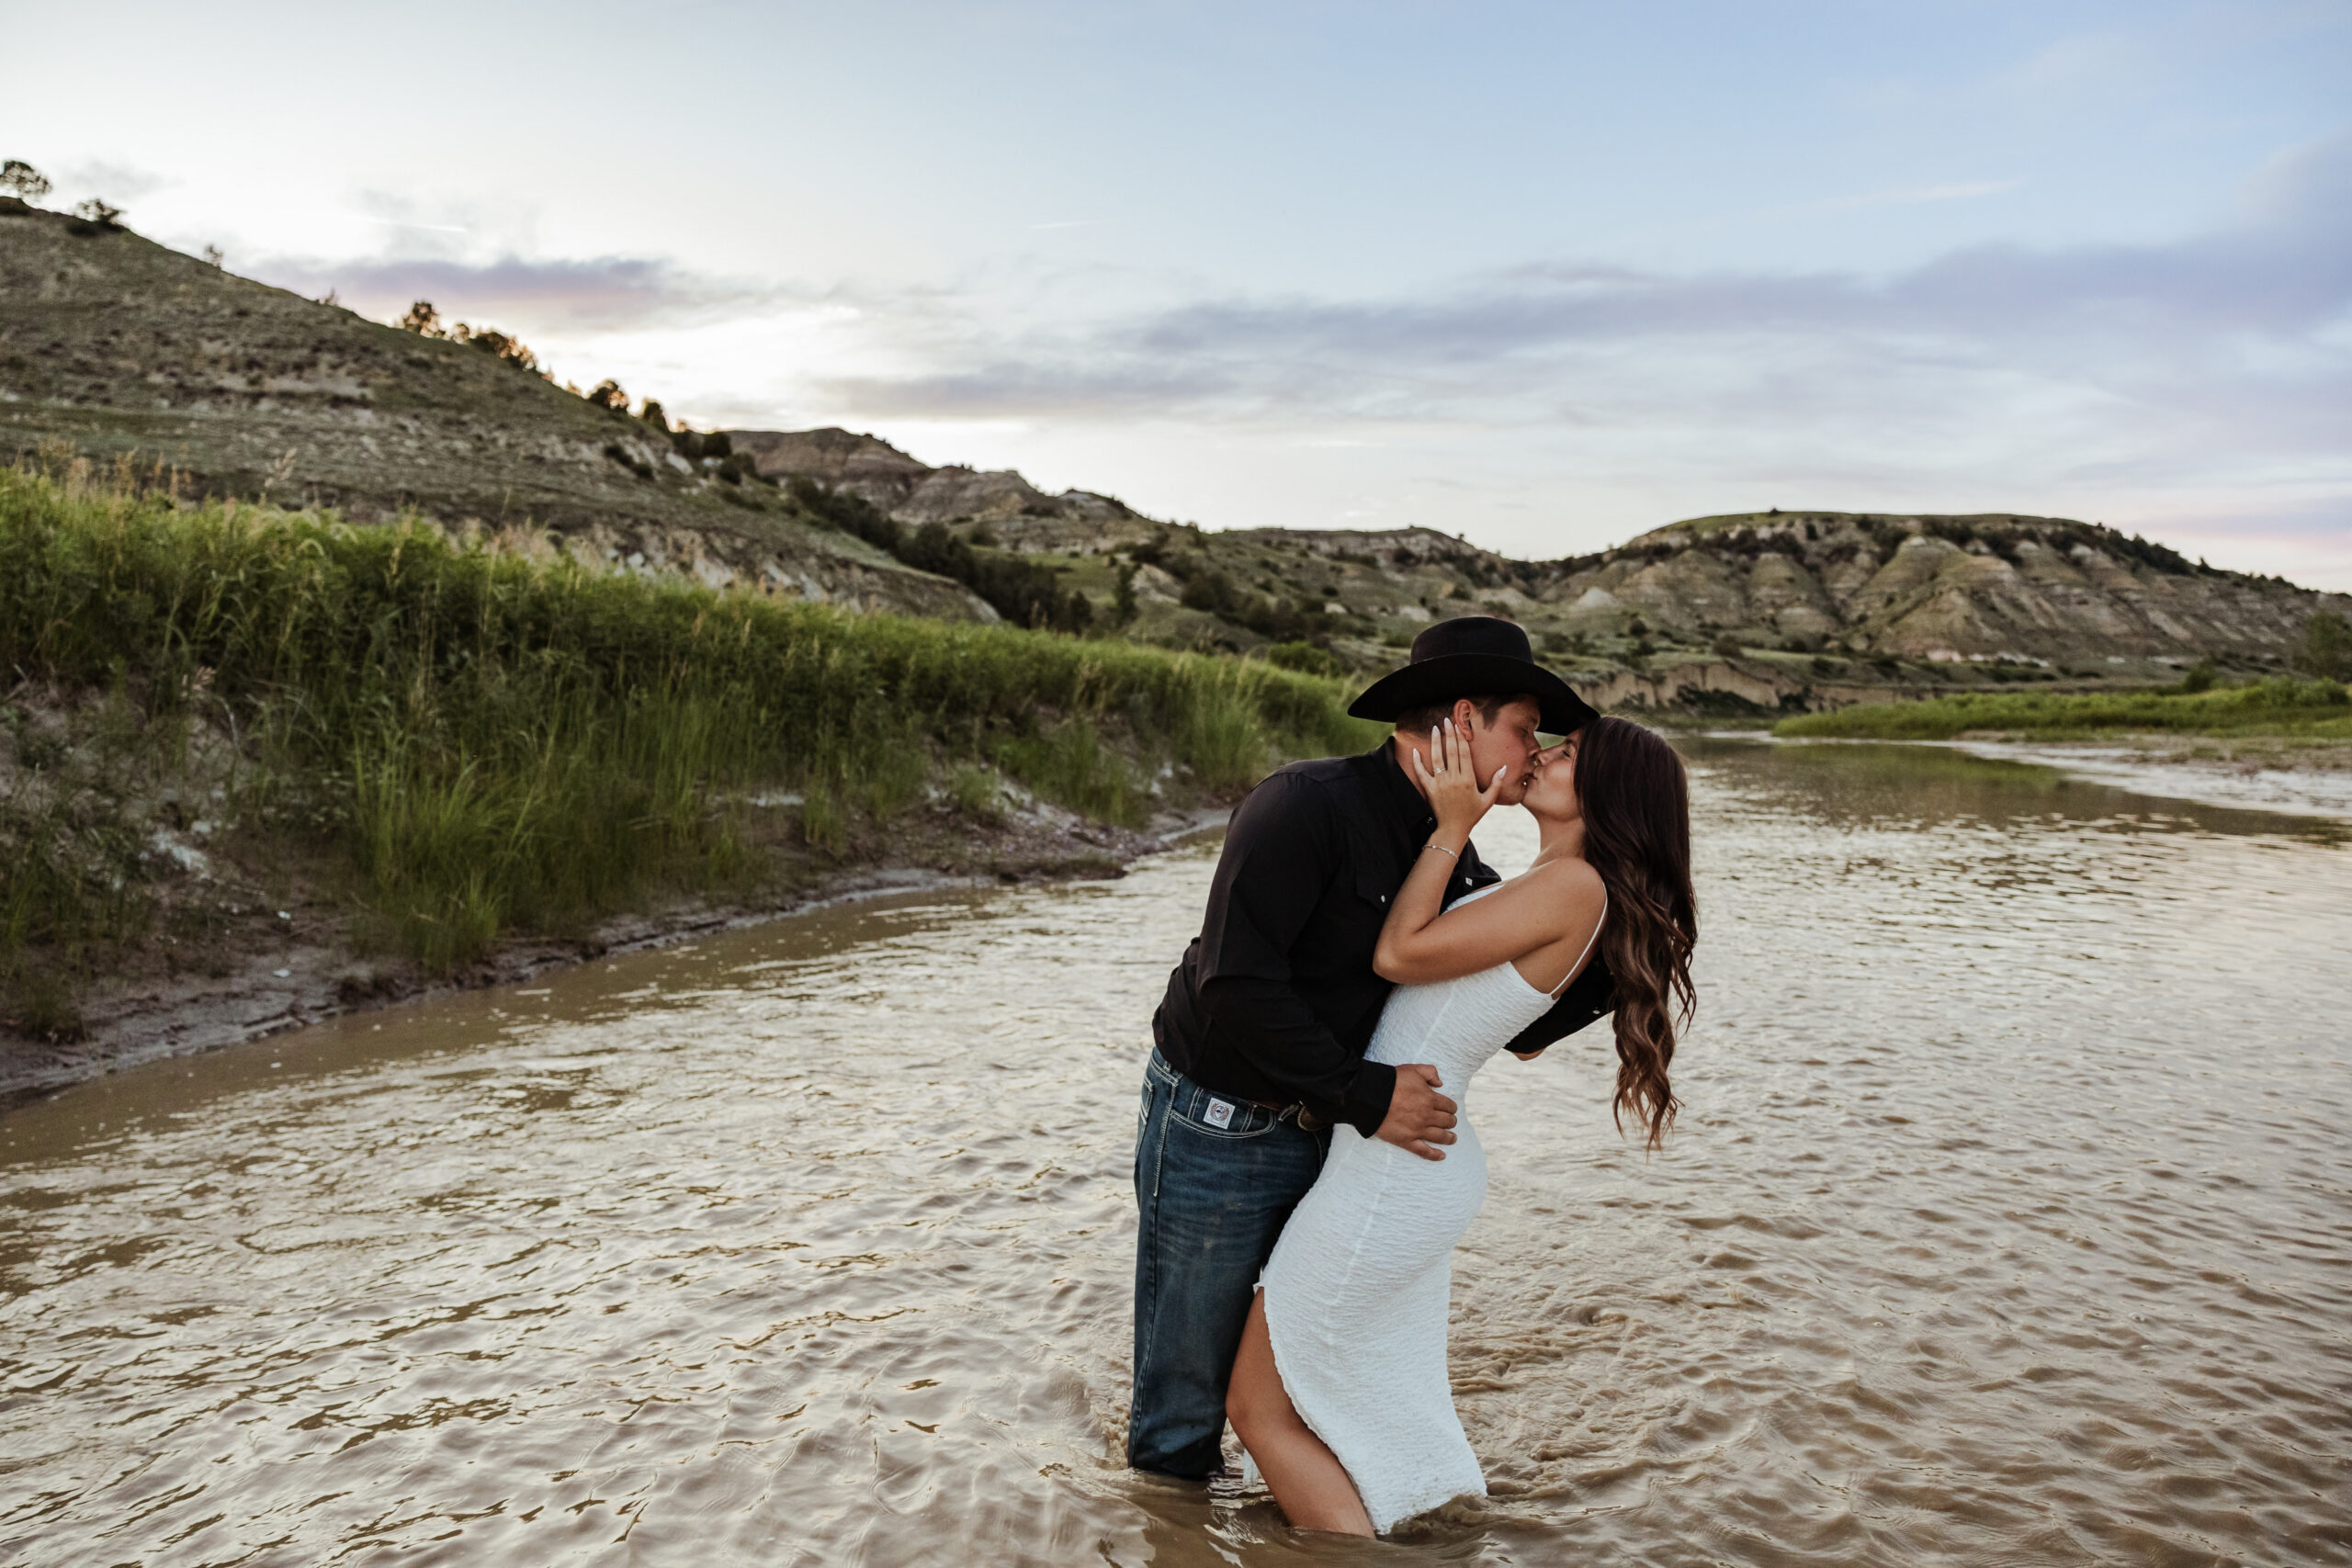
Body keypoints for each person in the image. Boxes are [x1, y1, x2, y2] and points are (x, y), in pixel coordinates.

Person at [1128, 616, 1610, 1482]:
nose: (1534, 750)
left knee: (1301, 1378)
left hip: (1338, 1141)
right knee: (1184, 1406)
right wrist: (1370, 1094)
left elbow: (1525, 1025)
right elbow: (1233, 987)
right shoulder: (1305, 804)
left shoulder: (1459, 870)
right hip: (1219, 1124)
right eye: (1524, 728)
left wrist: (1640, 932)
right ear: (1464, 720)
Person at [1225, 712, 1697, 1535]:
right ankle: (1436, 1528)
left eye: (1570, 753)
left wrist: (1450, 826)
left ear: (1612, 791)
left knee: (1258, 1406)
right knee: (1384, 1389)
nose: (1545, 753)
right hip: (1407, 1159)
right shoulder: (1547, 884)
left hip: (1395, 1171)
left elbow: (1398, 955)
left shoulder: (1573, 887)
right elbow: (1518, 1040)